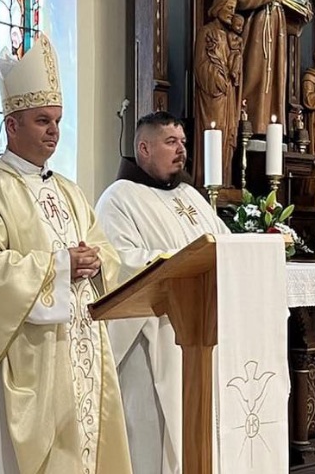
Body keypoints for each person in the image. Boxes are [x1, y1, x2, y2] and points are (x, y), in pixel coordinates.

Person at [0, 33, 132, 474]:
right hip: (21, 359)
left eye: (57, 121)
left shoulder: (69, 191)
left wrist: (95, 261)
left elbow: (103, 251)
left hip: (78, 351)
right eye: (42, 121)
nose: (54, 131)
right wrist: (60, 265)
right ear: (13, 125)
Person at [96, 111, 230, 474]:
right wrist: (179, 263)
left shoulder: (191, 196)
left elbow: (224, 246)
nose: (181, 150)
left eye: (182, 142)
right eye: (171, 142)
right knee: (151, 441)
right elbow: (118, 263)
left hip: (200, 334)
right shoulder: (119, 198)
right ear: (144, 148)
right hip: (151, 339)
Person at [233, 0, 287, 136]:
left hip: (276, 27)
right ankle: (250, 122)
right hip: (258, 26)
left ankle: (272, 125)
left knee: (276, 75)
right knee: (256, 70)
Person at [194, 0, 238, 187]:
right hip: (213, 95)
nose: (232, 13)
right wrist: (218, 80)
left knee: (227, 136)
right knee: (214, 132)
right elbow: (201, 66)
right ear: (218, 7)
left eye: (234, 9)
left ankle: (224, 180)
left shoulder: (229, 37)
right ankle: (209, 182)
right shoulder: (206, 32)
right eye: (229, 8)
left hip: (228, 95)